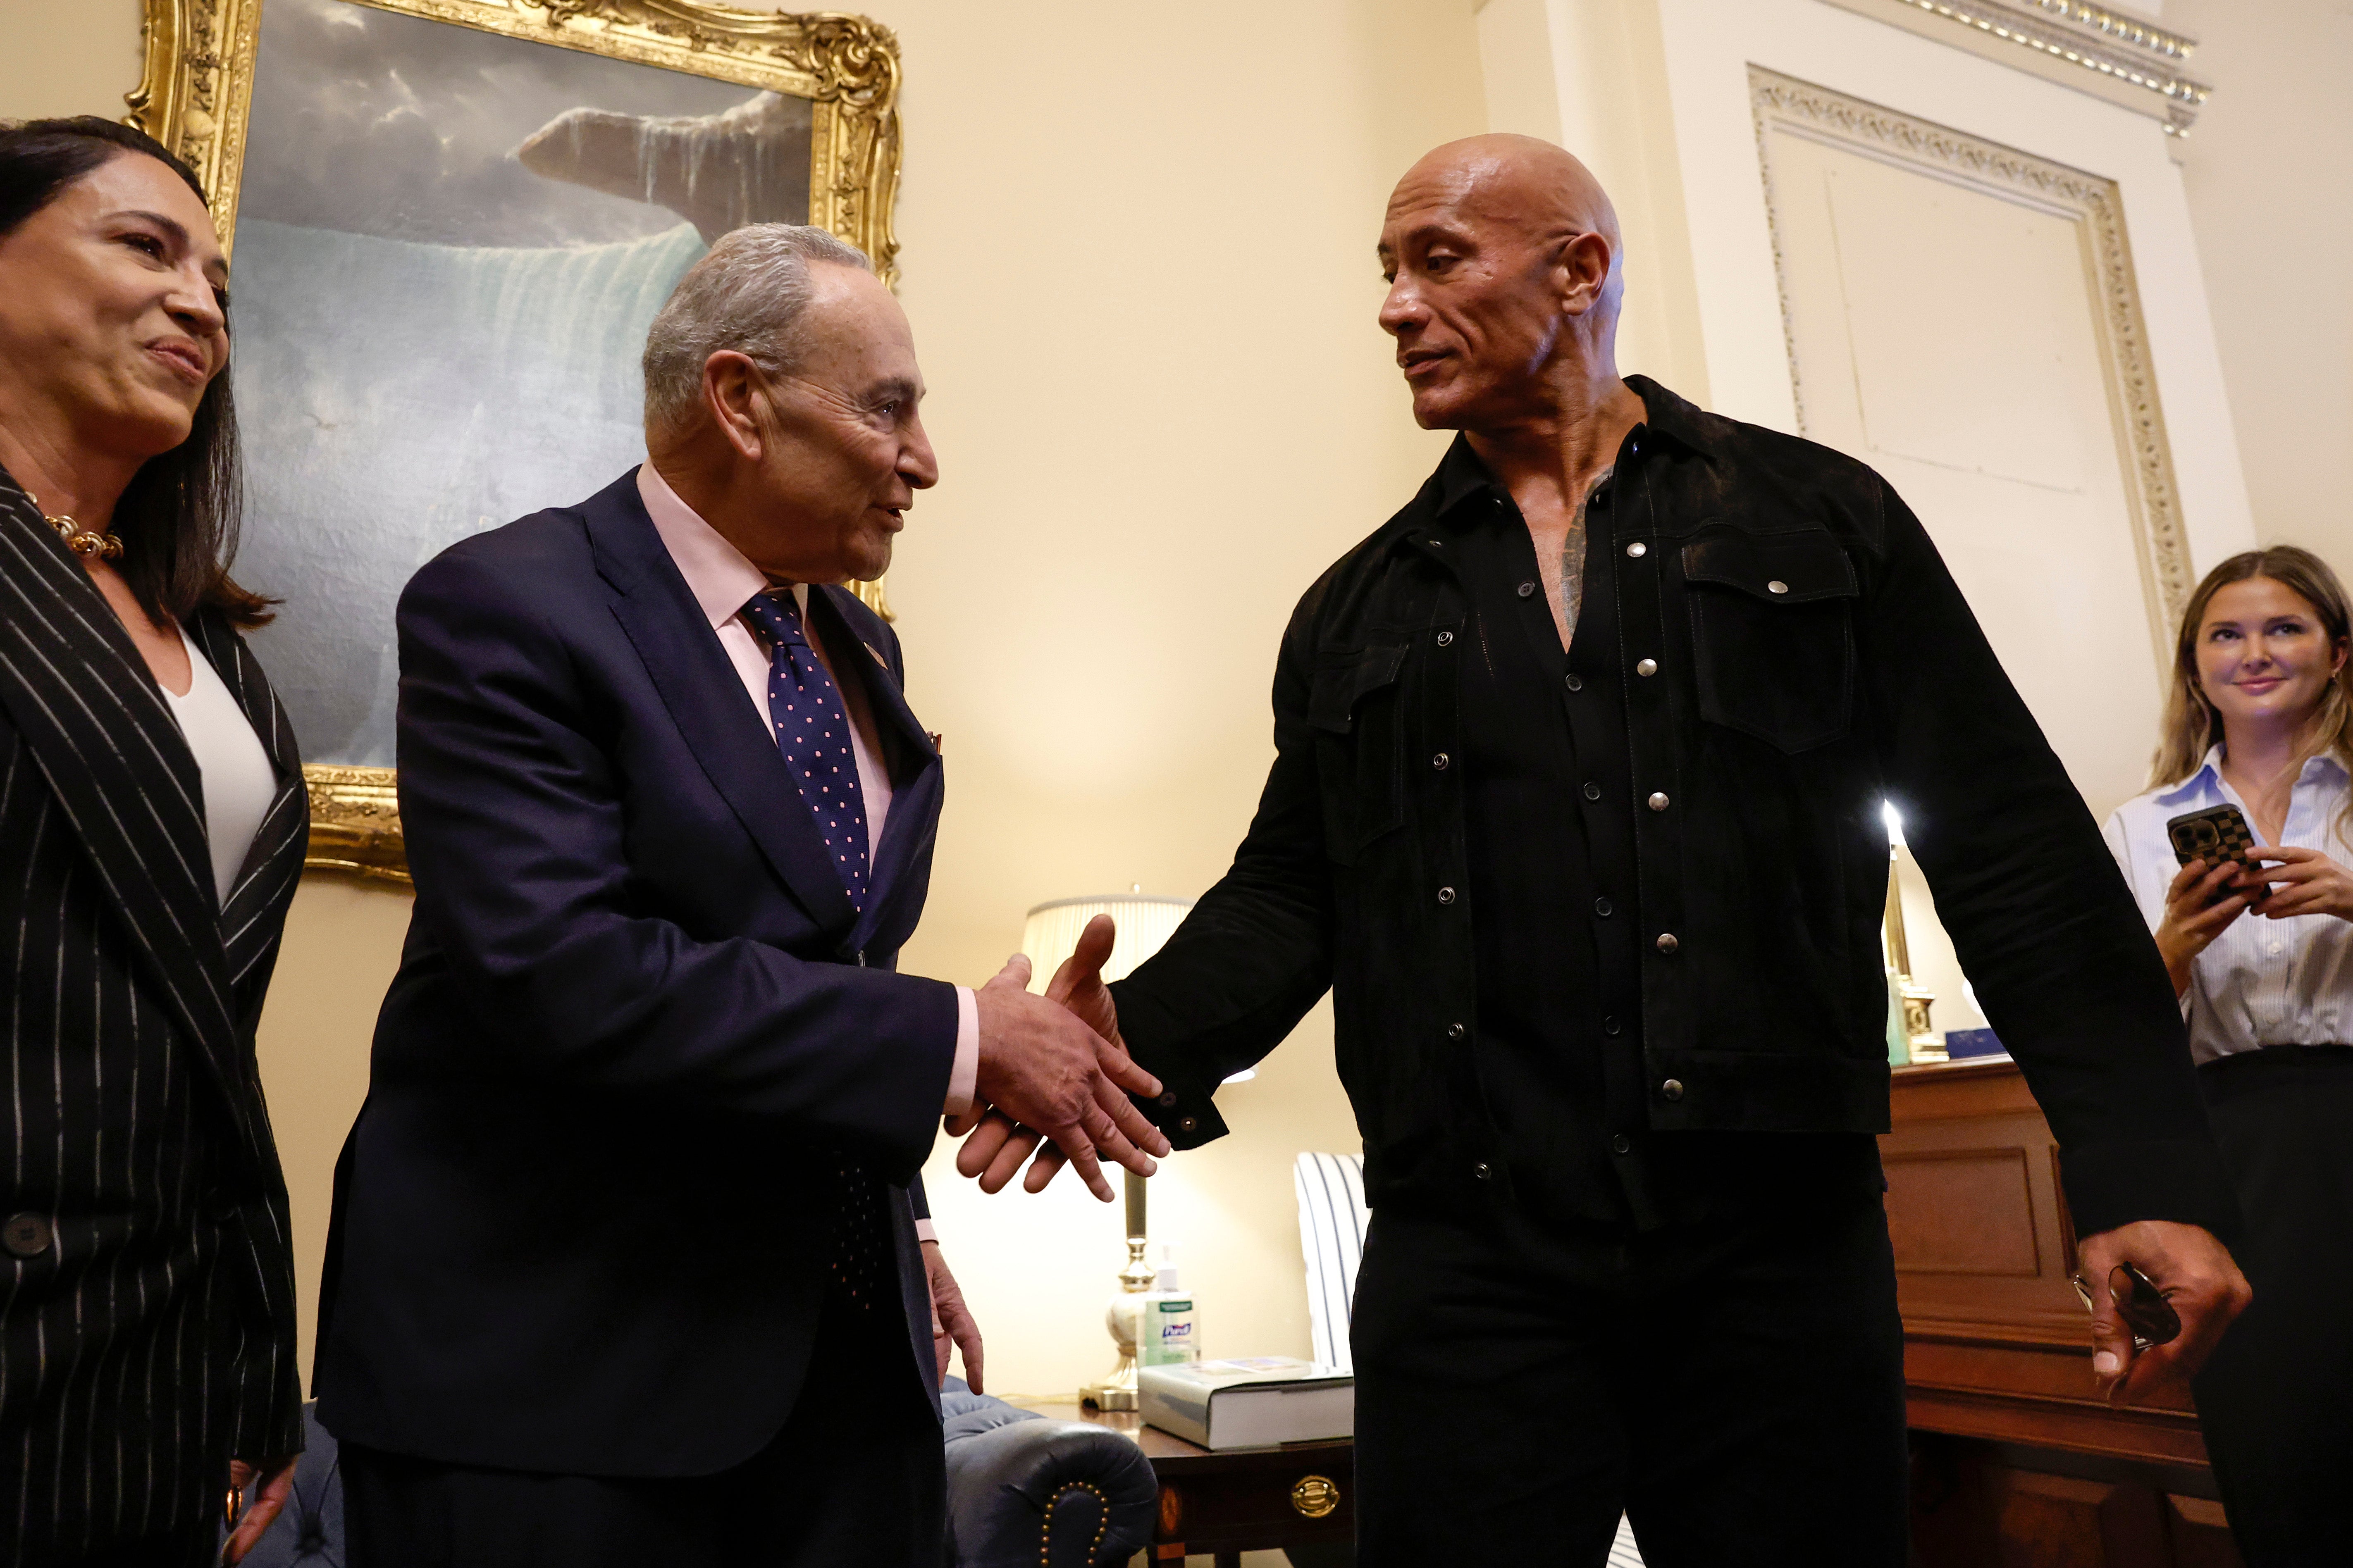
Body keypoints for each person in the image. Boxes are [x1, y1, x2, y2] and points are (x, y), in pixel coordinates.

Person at [956, 134, 2252, 1565]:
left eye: (1436, 259)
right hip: (1469, 1269)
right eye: (1386, 272)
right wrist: (1115, 1040)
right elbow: (1293, 892)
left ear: (1580, 269)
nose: (1393, 306)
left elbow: (2014, 852)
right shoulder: (1358, 609)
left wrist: (2141, 1173)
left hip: (1779, 1254)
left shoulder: (1823, 526)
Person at [310, 223, 1169, 1568]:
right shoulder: (508, 606)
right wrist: (958, 1036)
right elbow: (564, 970)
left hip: (840, 1381)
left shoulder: (859, 644)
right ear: (740, 400)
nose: (925, 459)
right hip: (557, 1391)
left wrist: (907, 1217)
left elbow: (818, 959)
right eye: (889, 408)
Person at [0, 117, 309, 1566]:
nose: (200, 301)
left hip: (163, 1362)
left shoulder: (208, 641)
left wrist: (252, 1369)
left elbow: (207, 1059)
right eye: (145, 246)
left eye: (221, 285)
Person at [2102, 546, 2353, 1565]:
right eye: (2226, 633)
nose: (2255, 652)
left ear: (2337, 653)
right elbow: (2112, 1029)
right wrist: (2169, 947)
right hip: (2230, 1151)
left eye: (2283, 628)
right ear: (2193, 665)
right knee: (2274, 1437)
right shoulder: (2136, 823)